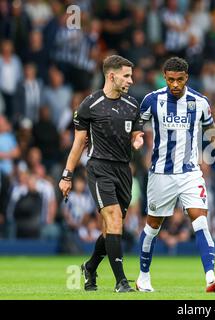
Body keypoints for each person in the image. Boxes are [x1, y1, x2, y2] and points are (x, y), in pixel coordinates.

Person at [137, 57, 215, 293]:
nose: (175, 85)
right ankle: (143, 277)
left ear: (186, 78)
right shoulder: (152, 100)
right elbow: (138, 127)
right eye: (170, 80)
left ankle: (210, 277)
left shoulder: (199, 102)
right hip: (161, 174)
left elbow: (212, 132)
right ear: (164, 77)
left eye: (179, 80)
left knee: (200, 220)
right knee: (153, 226)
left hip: (190, 173)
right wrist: (137, 137)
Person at [58, 55, 144, 293]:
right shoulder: (90, 104)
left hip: (124, 171)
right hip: (99, 168)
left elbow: (137, 133)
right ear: (111, 75)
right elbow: (78, 144)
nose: (131, 80)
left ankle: (90, 267)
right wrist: (67, 175)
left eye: (131, 75)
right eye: (126, 75)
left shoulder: (132, 105)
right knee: (114, 219)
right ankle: (121, 283)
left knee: (110, 230)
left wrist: (138, 140)